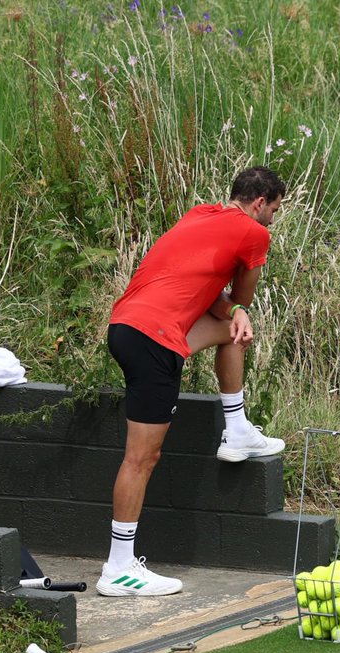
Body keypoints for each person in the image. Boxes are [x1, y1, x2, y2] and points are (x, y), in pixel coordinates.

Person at [99, 166, 287, 597]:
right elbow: (243, 297)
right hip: (152, 338)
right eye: (275, 210)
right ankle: (119, 568)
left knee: (235, 333)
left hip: (128, 326)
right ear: (260, 203)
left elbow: (212, 299)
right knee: (141, 459)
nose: (274, 219)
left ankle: (236, 429)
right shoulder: (255, 233)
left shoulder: (201, 214)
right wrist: (239, 307)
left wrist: (235, 314)